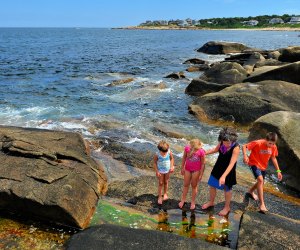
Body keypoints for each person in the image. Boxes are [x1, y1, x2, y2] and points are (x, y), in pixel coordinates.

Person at [202, 127, 240, 216]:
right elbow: (215, 150)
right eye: (225, 142)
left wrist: (223, 176)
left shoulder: (236, 147)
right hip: (218, 167)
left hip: (228, 171)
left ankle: (227, 207)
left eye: (229, 142)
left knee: (227, 189)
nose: (227, 144)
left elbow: (232, 163)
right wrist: (204, 153)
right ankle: (211, 202)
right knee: (212, 185)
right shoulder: (222, 141)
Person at [242, 132, 282, 213]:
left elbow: (273, 158)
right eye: (270, 143)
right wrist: (245, 156)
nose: (271, 145)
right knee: (260, 180)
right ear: (265, 140)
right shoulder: (258, 143)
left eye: (273, 144)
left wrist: (278, 171)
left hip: (263, 166)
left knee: (261, 182)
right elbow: (244, 146)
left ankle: (250, 191)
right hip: (253, 163)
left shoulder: (273, 147)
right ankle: (262, 204)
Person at [178, 139, 205, 210]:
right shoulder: (187, 149)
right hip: (187, 169)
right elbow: (184, 158)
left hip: (196, 171)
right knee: (186, 184)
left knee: (194, 185)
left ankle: (193, 202)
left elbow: (202, 164)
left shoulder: (201, 151)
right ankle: (183, 200)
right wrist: (182, 168)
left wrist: (201, 174)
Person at [153, 140, 174, 205]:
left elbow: (172, 159)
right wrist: (156, 171)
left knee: (166, 182)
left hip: (167, 170)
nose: (165, 153)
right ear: (159, 150)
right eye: (163, 152)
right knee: (160, 183)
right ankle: (159, 196)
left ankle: (165, 194)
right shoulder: (157, 154)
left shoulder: (169, 152)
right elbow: (154, 163)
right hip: (160, 171)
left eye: (166, 151)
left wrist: (172, 166)